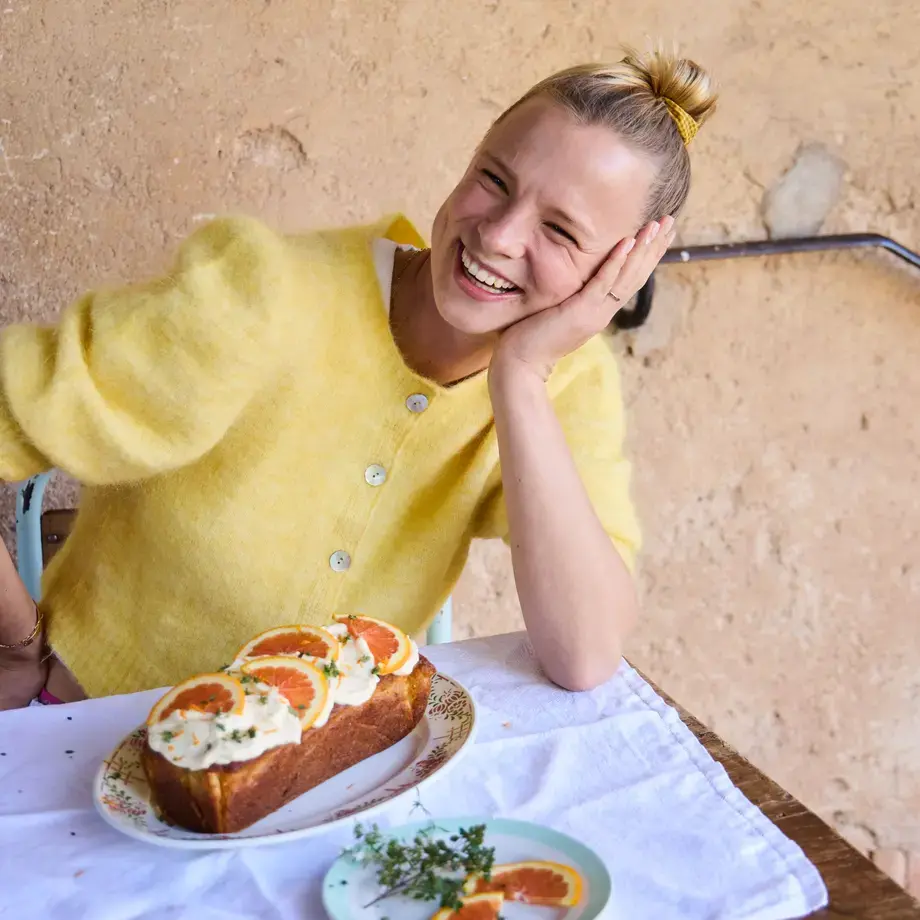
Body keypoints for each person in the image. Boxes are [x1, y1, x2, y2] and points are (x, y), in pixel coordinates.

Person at [0, 48, 717, 708]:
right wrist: (13, 645)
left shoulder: (569, 381)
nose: (498, 236)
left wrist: (521, 378)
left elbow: (584, 652)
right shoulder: (263, 293)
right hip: (95, 744)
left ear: (619, 270)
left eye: (560, 231)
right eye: (493, 179)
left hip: (334, 784)